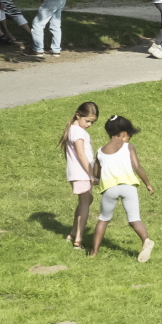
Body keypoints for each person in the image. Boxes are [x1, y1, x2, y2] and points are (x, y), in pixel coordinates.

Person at [90, 113, 153, 262]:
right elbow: (137, 166)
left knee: (103, 219)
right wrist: (148, 184)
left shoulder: (100, 152)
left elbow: (96, 174)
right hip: (128, 187)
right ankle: (145, 240)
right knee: (134, 219)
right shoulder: (128, 146)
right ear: (124, 133)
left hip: (110, 188)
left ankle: (93, 252)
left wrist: (96, 180)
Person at [61, 101, 101, 250]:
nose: (89, 124)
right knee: (85, 203)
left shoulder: (73, 129)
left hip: (79, 173)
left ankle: (72, 234)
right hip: (82, 173)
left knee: (87, 199)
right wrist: (91, 174)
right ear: (78, 115)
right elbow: (80, 153)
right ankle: (78, 239)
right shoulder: (78, 132)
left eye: (92, 122)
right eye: (87, 121)